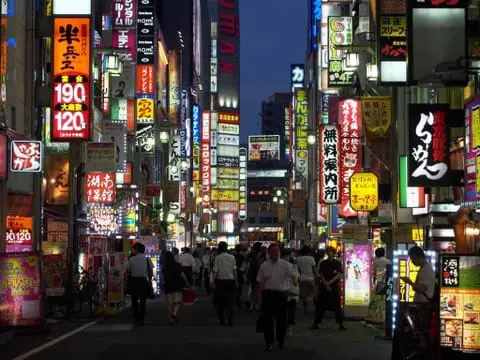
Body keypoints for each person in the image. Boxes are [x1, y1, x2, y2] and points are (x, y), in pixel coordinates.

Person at [257, 244, 297, 351]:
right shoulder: (264, 265)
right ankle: (269, 341)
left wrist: (294, 279)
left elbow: (293, 276)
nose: (276, 253)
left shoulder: (286, 265)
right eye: (273, 251)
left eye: (277, 251)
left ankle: (280, 339)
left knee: (282, 320)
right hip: (268, 294)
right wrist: (260, 298)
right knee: (268, 320)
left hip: (281, 295)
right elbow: (260, 283)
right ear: (269, 253)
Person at [311, 247, 346, 331]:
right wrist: (325, 283)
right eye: (328, 252)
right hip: (324, 286)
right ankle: (316, 322)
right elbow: (321, 274)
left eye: (331, 252)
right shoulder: (323, 263)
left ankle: (340, 323)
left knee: (337, 306)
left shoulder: (337, 263)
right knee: (320, 305)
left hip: (333, 286)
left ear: (333, 253)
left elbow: (339, 274)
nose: (329, 253)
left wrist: (329, 282)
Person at [127, 242, 153, 325]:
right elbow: (151, 271)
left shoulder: (131, 259)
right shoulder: (147, 259)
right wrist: (150, 281)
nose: (133, 251)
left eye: (133, 249)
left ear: (136, 250)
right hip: (143, 281)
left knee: (134, 300)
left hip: (134, 281)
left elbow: (128, 269)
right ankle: (142, 318)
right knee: (143, 300)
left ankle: (135, 317)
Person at [212, 241, 237, 326]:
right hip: (230, 281)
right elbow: (234, 270)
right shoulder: (232, 257)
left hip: (220, 281)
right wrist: (236, 281)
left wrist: (213, 282)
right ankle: (230, 319)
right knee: (230, 301)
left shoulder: (217, 258)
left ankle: (222, 319)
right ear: (226, 248)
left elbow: (215, 271)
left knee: (221, 302)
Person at [162, 251, 190, 325]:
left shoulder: (164, 267)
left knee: (170, 304)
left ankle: (170, 319)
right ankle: (174, 314)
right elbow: (182, 274)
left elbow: (163, 277)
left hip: (168, 286)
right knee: (178, 302)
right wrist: (187, 283)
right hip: (177, 285)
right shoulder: (177, 265)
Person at [281, 248, 299, 337]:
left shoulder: (293, 266)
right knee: (286, 311)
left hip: (289, 292)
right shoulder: (292, 266)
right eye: (284, 256)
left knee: (289, 311)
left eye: (287, 256)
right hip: (284, 291)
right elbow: (296, 280)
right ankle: (286, 328)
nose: (286, 258)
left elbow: (296, 280)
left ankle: (288, 328)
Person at [295, 245, 317, 314]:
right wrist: (316, 276)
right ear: (309, 251)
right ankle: (316, 308)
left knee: (304, 295)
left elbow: (297, 269)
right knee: (313, 293)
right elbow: (314, 269)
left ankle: (305, 309)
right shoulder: (311, 258)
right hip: (311, 278)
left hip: (302, 279)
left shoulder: (299, 259)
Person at [246, 242, 265, 312]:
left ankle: (252, 304)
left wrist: (246, 273)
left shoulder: (251, 254)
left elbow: (248, 264)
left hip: (251, 274)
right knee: (258, 290)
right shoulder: (262, 255)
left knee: (253, 289)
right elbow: (262, 265)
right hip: (259, 273)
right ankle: (256, 304)